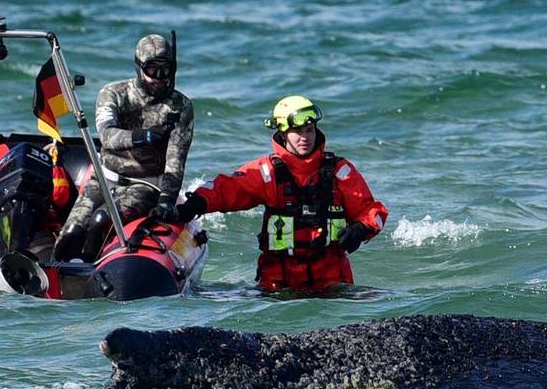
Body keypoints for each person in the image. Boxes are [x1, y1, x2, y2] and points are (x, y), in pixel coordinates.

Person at [160, 95, 388, 292]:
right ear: (282, 132)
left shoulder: (340, 172)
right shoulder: (266, 173)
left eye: (309, 130)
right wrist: (191, 207)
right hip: (278, 287)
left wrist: (361, 228)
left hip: (333, 284)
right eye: (297, 132)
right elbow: (226, 190)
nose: (304, 137)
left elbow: (373, 211)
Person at [53, 33, 194, 261]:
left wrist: (166, 200)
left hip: (145, 186)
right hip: (103, 179)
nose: (159, 77)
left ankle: (90, 277)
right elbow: (107, 136)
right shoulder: (113, 94)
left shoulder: (180, 107)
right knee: (71, 234)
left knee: (100, 221)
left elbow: (175, 159)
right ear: (139, 68)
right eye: (152, 70)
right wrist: (144, 136)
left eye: (165, 70)